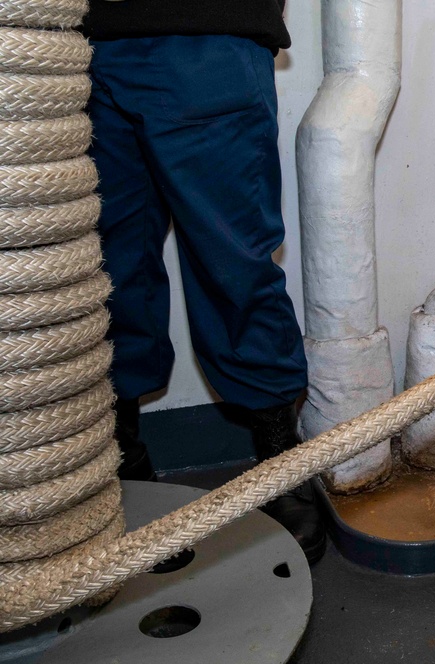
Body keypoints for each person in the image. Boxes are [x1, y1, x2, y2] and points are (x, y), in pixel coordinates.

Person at [81, 1, 327, 564]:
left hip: (207, 27)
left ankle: (277, 459)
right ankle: (119, 461)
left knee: (234, 264)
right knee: (99, 272)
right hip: (81, 40)